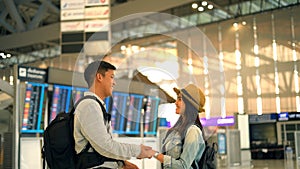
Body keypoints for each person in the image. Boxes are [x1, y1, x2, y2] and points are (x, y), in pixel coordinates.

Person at [73, 60, 154, 169]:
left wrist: (121, 163)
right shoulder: (89, 106)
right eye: (111, 77)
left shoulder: (96, 105)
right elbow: (105, 146)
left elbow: (101, 148)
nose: (114, 82)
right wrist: (138, 151)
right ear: (99, 77)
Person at [153, 84, 206, 169]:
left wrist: (155, 155)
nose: (176, 102)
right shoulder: (177, 130)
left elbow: (183, 166)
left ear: (189, 105)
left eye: (180, 99)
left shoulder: (193, 131)